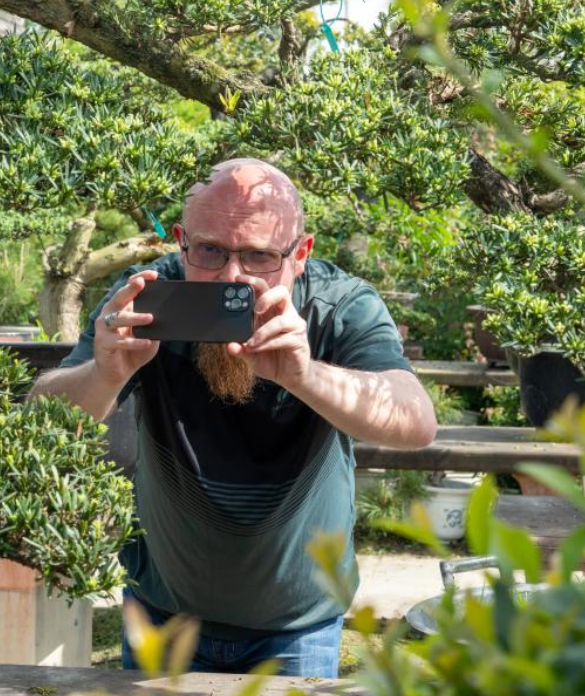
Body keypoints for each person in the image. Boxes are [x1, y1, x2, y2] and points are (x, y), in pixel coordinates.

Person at [29, 158, 437, 677]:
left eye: (259, 255)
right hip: (162, 613)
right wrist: (103, 374)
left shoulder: (338, 306)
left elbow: (416, 420)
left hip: (299, 624)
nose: (231, 277)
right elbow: (42, 423)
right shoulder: (148, 297)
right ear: (181, 242)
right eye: (210, 250)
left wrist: (305, 376)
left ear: (301, 254)